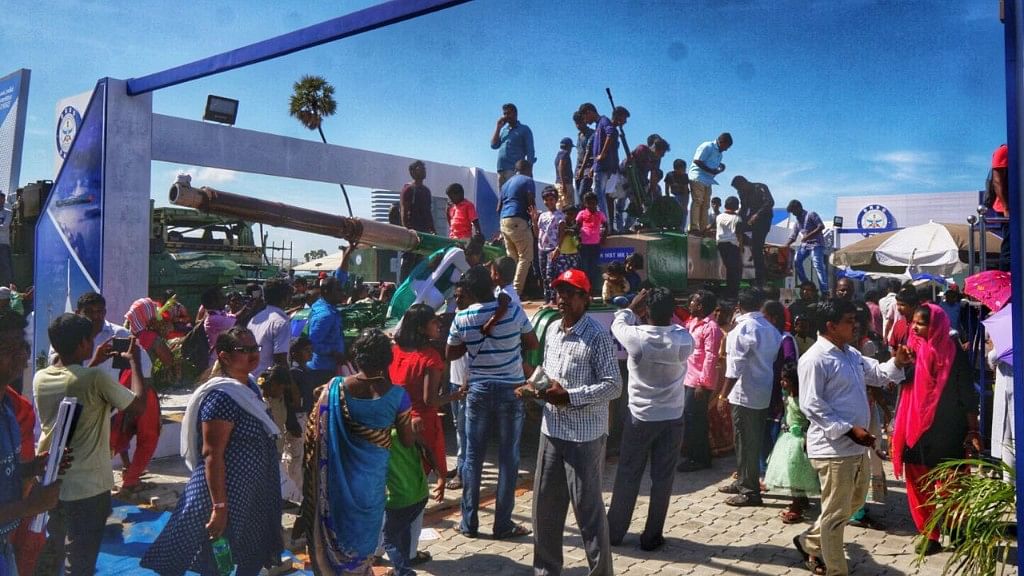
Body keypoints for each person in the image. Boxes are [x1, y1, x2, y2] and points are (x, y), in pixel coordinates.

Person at [142, 327, 283, 575]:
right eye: (244, 350)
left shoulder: (249, 387)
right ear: (224, 356)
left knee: (251, 551)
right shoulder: (221, 397)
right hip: (226, 493)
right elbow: (212, 453)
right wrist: (219, 506)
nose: (252, 355)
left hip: (253, 492)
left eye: (254, 349)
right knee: (216, 559)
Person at [794, 299, 910, 576]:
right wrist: (848, 429)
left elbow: (879, 374)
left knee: (855, 502)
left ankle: (808, 542)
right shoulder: (814, 359)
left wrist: (896, 361)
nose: (855, 324)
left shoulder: (851, 354)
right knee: (835, 516)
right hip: (833, 448)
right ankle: (836, 570)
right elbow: (811, 404)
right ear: (831, 326)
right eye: (848, 320)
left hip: (856, 445)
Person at [521, 268, 621, 576]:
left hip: (584, 436)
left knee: (588, 510)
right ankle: (546, 570)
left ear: (584, 298)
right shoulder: (552, 330)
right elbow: (547, 375)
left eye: (569, 293)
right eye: (559, 292)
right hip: (552, 430)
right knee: (545, 509)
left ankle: (601, 571)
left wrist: (570, 396)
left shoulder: (597, 336)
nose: (561, 298)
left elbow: (614, 385)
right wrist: (533, 389)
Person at [35, 313, 149, 575]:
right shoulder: (94, 380)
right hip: (88, 488)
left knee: (54, 550)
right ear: (84, 344)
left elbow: (72, 381)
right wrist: (135, 363)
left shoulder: (41, 378)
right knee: (81, 560)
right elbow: (138, 406)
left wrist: (93, 360)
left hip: (51, 481)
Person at [294, 329, 414, 574]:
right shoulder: (398, 395)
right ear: (388, 360)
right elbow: (407, 440)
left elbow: (317, 413)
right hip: (372, 482)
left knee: (338, 526)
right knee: (365, 532)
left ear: (356, 358)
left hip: (337, 478)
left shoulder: (334, 388)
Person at [447, 266, 538, 540]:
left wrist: (473, 342)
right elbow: (532, 343)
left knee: (473, 457)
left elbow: (450, 352)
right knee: (508, 459)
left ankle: (468, 523)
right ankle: (503, 524)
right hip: (511, 390)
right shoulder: (512, 311)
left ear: (472, 292)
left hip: (478, 391)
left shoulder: (462, 317)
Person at [607, 288, 693, 551]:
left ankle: (613, 533)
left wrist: (632, 308)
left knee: (628, 475)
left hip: (641, 417)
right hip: (673, 417)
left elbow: (617, 323)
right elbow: (677, 330)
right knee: (663, 479)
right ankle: (652, 535)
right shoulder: (684, 339)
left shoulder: (636, 338)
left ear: (647, 311)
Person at [892, 303, 980, 556]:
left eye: (922, 323)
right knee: (918, 481)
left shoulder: (953, 352)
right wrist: (900, 363)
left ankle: (957, 529)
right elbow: (899, 384)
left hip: (949, 428)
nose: (916, 327)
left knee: (952, 482)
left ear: (937, 325)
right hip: (915, 428)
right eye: (915, 323)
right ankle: (929, 534)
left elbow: (966, 392)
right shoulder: (909, 351)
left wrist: (972, 430)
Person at [0, 309, 64, 574]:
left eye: (21, 346)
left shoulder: (10, 408)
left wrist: (34, 468)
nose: (20, 354)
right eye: (6, 348)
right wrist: (31, 506)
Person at [716, 289, 781, 507]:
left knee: (745, 441)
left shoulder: (742, 328)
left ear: (739, 306)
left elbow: (735, 368)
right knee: (745, 440)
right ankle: (744, 480)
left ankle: (750, 490)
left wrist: (723, 395)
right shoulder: (769, 328)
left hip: (744, 393)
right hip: (762, 390)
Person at [391, 305, 463, 501]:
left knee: (401, 473)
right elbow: (430, 400)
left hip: (396, 421)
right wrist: (455, 396)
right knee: (420, 476)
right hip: (423, 424)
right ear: (421, 328)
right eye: (434, 321)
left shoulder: (395, 351)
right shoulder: (430, 357)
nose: (439, 324)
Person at [114, 297, 171, 495]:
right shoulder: (149, 337)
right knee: (149, 435)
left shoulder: (122, 334)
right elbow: (168, 360)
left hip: (122, 388)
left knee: (123, 429)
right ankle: (131, 480)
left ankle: (127, 466)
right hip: (144, 389)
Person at [764, 361, 820, 524]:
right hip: (787, 437)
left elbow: (811, 420)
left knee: (796, 471)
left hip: (799, 440)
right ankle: (801, 499)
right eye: (782, 379)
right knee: (791, 470)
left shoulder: (803, 398)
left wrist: (808, 438)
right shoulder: (787, 394)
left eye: (786, 380)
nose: (782, 382)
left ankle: (797, 506)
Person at [678, 289, 724, 472]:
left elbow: (711, 357)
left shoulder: (710, 327)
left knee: (695, 419)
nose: (690, 304)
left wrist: (702, 383)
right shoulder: (693, 322)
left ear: (701, 306)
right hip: (688, 378)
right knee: (691, 418)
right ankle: (694, 453)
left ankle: (699, 458)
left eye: (694, 302)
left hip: (699, 381)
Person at [306, 244, 354, 387]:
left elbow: (340, 277)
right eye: (338, 290)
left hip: (329, 367)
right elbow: (313, 343)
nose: (342, 293)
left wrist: (347, 253)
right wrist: (334, 353)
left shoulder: (326, 303)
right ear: (327, 292)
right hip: (322, 370)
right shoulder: (325, 315)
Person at [579, 103, 628, 219]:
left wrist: (603, 154)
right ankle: (605, 224)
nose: (585, 121)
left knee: (599, 196)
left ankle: (603, 224)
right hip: (600, 166)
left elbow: (610, 133)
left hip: (603, 166)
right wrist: (593, 166)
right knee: (602, 196)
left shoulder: (603, 121)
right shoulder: (598, 126)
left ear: (589, 112)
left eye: (585, 118)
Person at [497, 160, 537, 295]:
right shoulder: (528, 180)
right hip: (518, 219)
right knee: (525, 257)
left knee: (513, 259)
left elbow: (498, 208)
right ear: (529, 168)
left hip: (504, 221)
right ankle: (515, 292)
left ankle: (507, 291)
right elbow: (530, 200)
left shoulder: (506, 184)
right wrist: (534, 217)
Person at [732, 175, 774, 288]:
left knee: (757, 248)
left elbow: (770, 202)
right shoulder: (742, 193)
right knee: (736, 228)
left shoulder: (760, 187)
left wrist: (757, 215)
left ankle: (760, 279)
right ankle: (743, 248)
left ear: (745, 183)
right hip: (751, 219)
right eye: (737, 190)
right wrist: (736, 220)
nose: (739, 191)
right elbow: (744, 209)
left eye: (740, 189)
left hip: (763, 219)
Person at [688, 133, 732, 235]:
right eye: (726, 147)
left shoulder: (720, 155)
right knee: (698, 201)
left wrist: (719, 169)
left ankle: (703, 229)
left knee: (706, 205)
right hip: (697, 177)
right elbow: (697, 161)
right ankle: (694, 227)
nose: (726, 149)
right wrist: (711, 171)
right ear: (721, 142)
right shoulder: (708, 146)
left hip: (708, 180)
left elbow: (713, 169)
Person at [400, 160, 436, 279]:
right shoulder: (409, 189)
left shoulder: (426, 191)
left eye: (424, 168)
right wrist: (408, 231)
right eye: (421, 168)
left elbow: (428, 212)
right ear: (413, 172)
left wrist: (432, 230)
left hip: (424, 235)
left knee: (421, 267)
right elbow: (404, 211)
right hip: (412, 235)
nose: (424, 170)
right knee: (407, 266)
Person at [785, 199, 827, 295]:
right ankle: (805, 282)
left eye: (794, 211)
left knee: (818, 265)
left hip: (817, 244)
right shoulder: (797, 222)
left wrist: (807, 236)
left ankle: (824, 290)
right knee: (796, 260)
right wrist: (785, 246)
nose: (794, 214)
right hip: (805, 245)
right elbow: (793, 236)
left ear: (799, 207)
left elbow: (821, 226)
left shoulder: (811, 214)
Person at [491, 103, 536, 190]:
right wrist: (498, 127)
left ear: (515, 114)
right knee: (502, 199)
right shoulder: (504, 130)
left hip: (514, 171)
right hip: (501, 169)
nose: (506, 116)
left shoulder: (524, 129)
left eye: (508, 113)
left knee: (513, 197)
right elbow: (493, 145)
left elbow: (530, 151)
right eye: (504, 114)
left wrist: (528, 172)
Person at [535, 186, 565, 305]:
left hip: (552, 249)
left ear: (556, 200)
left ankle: (553, 298)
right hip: (541, 248)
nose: (549, 202)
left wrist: (558, 247)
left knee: (550, 274)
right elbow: (537, 233)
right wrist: (533, 221)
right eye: (546, 200)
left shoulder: (560, 215)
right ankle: (547, 298)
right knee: (543, 275)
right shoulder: (542, 216)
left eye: (551, 199)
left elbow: (562, 232)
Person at [576, 192, 608, 293]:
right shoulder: (581, 213)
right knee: (584, 267)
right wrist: (578, 239)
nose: (591, 205)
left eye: (593, 203)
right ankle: (584, 289)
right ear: (585, 203)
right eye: (589, 203)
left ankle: (592, 289)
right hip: (584, 245)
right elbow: (577, 226)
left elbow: (606, 225)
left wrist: (603, 237)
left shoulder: (600, 214)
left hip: (596, 245)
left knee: (593, 267)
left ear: (596, 203)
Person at [201, 287, 237, 367]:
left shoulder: (220, 314)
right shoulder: (213, 319)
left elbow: (234, 316)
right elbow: (237, 321)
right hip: (216, 362)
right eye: (222, 297)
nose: (225, 299)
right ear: (213, 302)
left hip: (222, 360)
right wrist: (252, 307)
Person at [716, 196, 743, 298]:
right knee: (735, 271)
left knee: (729, 269)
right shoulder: (737, 218)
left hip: (721, 245)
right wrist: (741, 248)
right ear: (736, 206)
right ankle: (732, 294)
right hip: (732, 246)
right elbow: (739, 234)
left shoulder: (719, 217)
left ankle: (729, 292)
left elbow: (712, 226)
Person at [991, 143, 1011, 271]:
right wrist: (1006, 208)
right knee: (1010, 247)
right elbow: (997, 181)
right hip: (1007, 208)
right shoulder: (1004, 151)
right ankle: (1006, 280)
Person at [573, 111, 594, 201]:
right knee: (578, 197)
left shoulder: (591, 134)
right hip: (579, 168)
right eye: (576, 123)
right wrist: (578, 170)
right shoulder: (579, 136)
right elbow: (579, 154)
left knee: (583, 195)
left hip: (588, 168)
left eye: (580, 122)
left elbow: (588, 153)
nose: (578, 125)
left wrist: (582, 170)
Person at [663, 158, 690, 231]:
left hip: (684, 195)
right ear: (677, 169)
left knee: (683, 211)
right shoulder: (669, 175)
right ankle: (670, 225)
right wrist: (667, 198)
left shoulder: (685, 176)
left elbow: (685, 190)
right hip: (674, 195)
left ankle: (681, 228)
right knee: (673, 209)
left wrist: (684, 204)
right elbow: (667, 188)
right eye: (683, 169)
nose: (685, 170)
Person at [554, 137, 575, 210]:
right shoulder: (565, 154)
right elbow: (561, 166)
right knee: (568, 207)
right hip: (565, 184)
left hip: (558, 183)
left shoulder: (558, 154)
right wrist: (564, 184)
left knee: (560, 206)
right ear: (568, 147)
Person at [0, 193, 12, 287]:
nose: (1, 201)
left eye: (3, 199)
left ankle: (6, 287)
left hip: (4, 243)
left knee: (5, 266)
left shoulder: (8, 212)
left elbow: (5, 226)